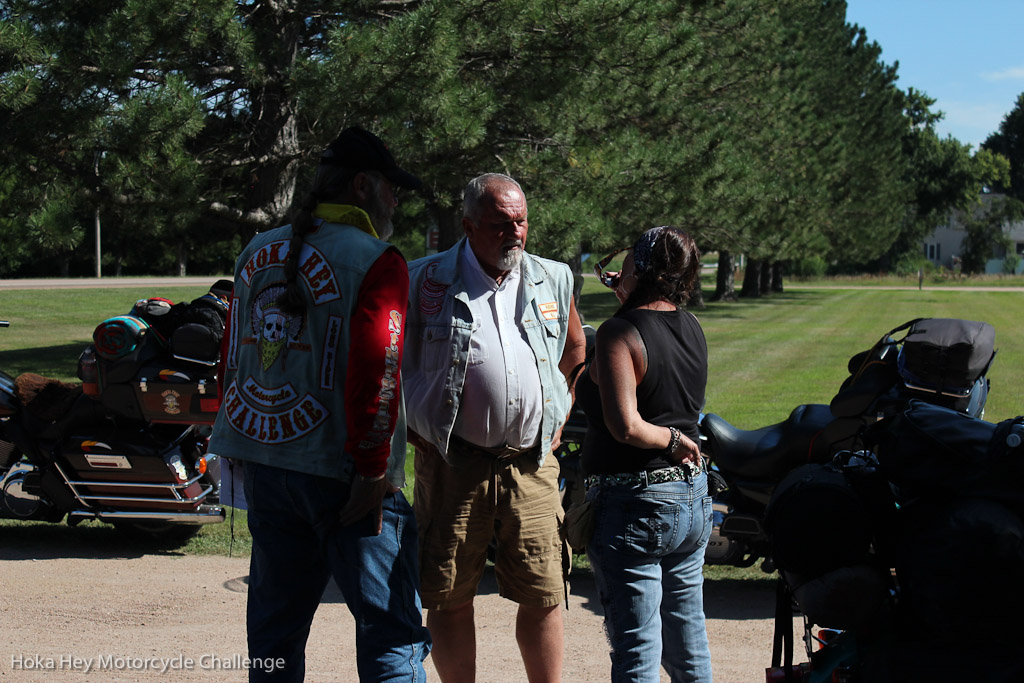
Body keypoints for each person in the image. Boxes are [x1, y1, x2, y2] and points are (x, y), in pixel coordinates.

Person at [208, 127, 430, 682]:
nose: (396, 201)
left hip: (266, 460)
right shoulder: (378, 258)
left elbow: (231, 361)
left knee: (274, 636)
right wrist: (373, 467)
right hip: (345, 474)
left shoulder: (257, 249)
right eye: (391, 189)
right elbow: (378, 367)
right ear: (363, 185)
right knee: (391, 635)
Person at [403, 173, 586, 683]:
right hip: (451, 464)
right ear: (468, 225)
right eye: (499, 224)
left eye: (521, 221)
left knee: (545, 594)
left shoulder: (553, 277)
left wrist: (562, 403)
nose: (514, 233)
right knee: (449, 596)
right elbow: (388, 361)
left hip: (531, 465)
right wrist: (411, 417)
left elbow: (575, 348)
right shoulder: (424, 279)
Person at [578, 226, 713, 682]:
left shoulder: (619, 332)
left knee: (637, 648)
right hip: (691, 500)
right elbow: (649, 342)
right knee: (688, 641)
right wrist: (628, 300)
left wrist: (672, 441)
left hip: (637, 505)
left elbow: (626, 425)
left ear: (639, 266)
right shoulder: (691, 325)